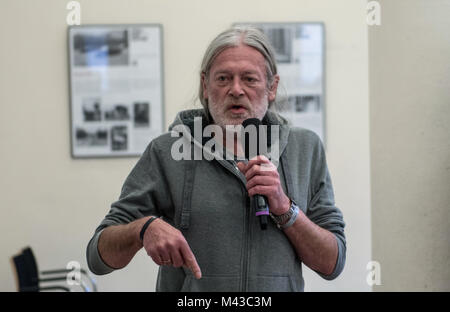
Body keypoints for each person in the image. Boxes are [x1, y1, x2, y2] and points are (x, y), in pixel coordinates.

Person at [86, 26, 346, 292]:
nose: (236, 90)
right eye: (223, 78)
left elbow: (332, 263)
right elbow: (98, 257)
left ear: (272, 87)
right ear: (205, 85)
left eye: (249, 79)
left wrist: (284, 208)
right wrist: (143, 229)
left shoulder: (306, 148)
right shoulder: (166, 151)